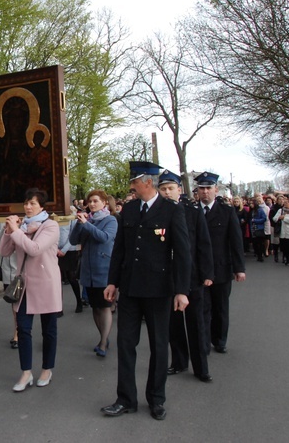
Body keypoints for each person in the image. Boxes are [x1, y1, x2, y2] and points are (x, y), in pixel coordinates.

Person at [101, 162, 191, 421]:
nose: (131, 185)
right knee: (126, 343)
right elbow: (120, 248)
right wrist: (112, 282)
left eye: (134, 181)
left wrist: (181, 290)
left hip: (159, 289)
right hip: (130, 288)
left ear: (147, 182)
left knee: (159, 346)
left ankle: (156, 399)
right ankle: (126, 398)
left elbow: (183, 253)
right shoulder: (129, 209)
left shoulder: (171, 210)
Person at [0, 188, 61, 392]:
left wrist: (16, 231)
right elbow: (4, 251)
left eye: (33, 203)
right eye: (26, 203)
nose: (28, 207)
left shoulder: (50, 226)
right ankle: (26, 372)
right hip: (24, 286)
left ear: (42, 206)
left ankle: (47, 369)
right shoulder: (21, 227)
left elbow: (34, 250)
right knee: (23, 329)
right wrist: (8, 231)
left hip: (46, 283)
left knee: (48, 329)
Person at [157, 171, 215, 383]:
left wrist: (207, 273)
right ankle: (179, 362)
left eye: (171, 188)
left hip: (192, 276)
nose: (167, 192)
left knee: (196, 323)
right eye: (163, 189)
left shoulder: (192, 211)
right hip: (168, 277)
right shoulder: (157, 212)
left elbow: (203, 243)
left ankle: (201, 368)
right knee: (173, 325)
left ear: (179, 190)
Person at [196, 172, 246, 355]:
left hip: (221, 268)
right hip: (199, 269)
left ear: (216, 190)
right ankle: (203, 341)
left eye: (209, 188)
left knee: (220, 307)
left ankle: (219, 339)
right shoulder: (192, 211)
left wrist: (239, 268)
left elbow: (236, 241)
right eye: (202, 188)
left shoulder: (226, 211)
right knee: (202, 307)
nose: (205, 192)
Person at [70, 189, 117, 356]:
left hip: (104, 269)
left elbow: (104, 237)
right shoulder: (86, 220)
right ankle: (103, 336)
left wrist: (86, 225)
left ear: (104, 203)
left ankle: (103, 342)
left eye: (95, 201)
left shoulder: (110, 220)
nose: (92, 204)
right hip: (88, 270)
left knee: (104, 306)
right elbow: (73, 240)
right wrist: (79, 224)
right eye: (90, 202)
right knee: (95, 307)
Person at [0, 222, 20, 349]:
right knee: (14, 303)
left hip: (21, 269)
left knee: (23, 304)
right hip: (7, 271)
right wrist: (5, 230)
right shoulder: (0, 220)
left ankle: (20, 332)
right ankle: (17, 331)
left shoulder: (25, 219)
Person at [58, 217, 82, 314]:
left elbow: (73, 235)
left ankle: (79, 301)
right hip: (55, 251)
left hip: (70, 250)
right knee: (57, 280)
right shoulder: (52, 217)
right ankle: (59, 307)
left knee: (71, 277)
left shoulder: (71, 218)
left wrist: (64, 250)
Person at [250, 196, 268, 262]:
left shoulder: (260, 210)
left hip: (259, 228)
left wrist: (255, 220)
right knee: (255, 243)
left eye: (252, 203)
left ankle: (260, 256)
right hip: (253, 229)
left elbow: (264, 218)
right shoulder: (251, 211)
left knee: (260, 243)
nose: (251, 205)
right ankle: (258, 254)